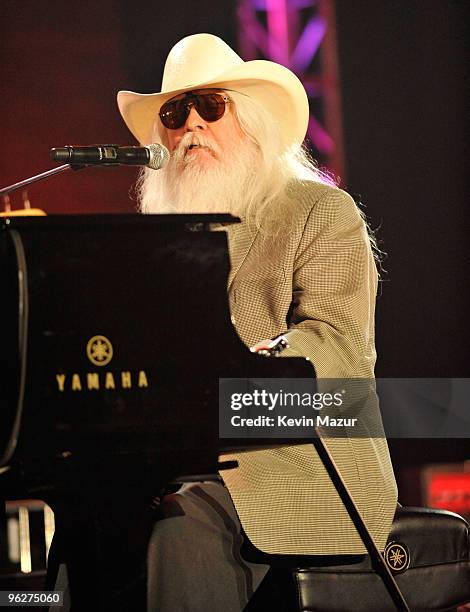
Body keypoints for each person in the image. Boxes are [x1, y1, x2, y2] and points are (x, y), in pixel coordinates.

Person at [117, 33, 398, 611]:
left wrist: (221, 390)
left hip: (301, 461)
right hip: (183, 461)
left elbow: (337, 352)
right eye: (174, 113)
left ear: (249, 120)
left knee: (182, 523)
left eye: (209, 106)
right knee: (87, 525)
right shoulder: (154, 248)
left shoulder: (319, 210)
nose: (189, 125)